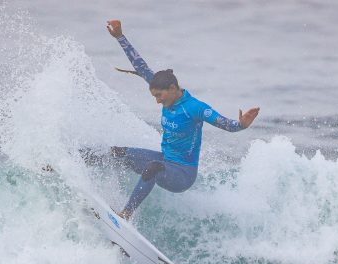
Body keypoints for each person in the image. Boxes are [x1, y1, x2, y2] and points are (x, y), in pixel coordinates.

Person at [104, 19, 259, 220]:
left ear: (172, 89)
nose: (157, 101)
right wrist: (120, 37)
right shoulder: (161, 87)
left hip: (182, 174)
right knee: (117, 152)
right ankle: (74, 161)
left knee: (152, 167)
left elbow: (227, 124)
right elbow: (139, 64)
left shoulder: (195, 108)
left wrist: (241, 125)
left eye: (159, 96)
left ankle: (125, 214)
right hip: (165, 160)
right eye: (154, 97)